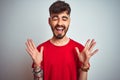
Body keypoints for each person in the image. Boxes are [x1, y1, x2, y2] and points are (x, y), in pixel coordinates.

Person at [25, 1, 98, 80]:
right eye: (55, 18)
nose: (59, 23)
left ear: (69, 21)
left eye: (64, 18)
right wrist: (37, 66)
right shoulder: (40, 51)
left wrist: (84, 66)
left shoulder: (80, 50)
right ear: (49, 21)